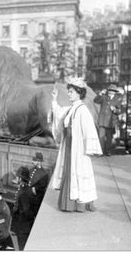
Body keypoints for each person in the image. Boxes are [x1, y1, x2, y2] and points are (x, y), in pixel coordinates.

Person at [50, 77, 102, 212]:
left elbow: (89, 129)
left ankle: (79, 204)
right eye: (69, 92)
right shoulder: (71, 108)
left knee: (78, 172)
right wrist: (54, 100)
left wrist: (90, 147)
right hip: (68, 146)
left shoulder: (82, 110)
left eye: (72, 92)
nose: (69, 94)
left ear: (79, 93)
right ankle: (68, 204)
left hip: (77, 148)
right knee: (69, 171)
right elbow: (59, 113)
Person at [11, 166, 35, 251]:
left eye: (17, 177)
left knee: (22, 247)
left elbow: (25, 210)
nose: (16, 178)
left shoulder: (23, 192)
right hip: (25, 225)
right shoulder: (26, 188)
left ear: (20, 178)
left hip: (23, 226)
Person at [94, 84, 122, 156]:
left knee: (109, 137)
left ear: (115, 92)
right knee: (101, 137)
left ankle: (108, 151)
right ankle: (101, 151)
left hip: (111, 122)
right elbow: (95, 100)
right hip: (102, 120)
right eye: (109, 90)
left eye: (112, 91)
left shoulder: (117, 99)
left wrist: (115, 110)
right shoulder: (104, 97)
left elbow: (119, 111)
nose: (110, 92)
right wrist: (100, 94)